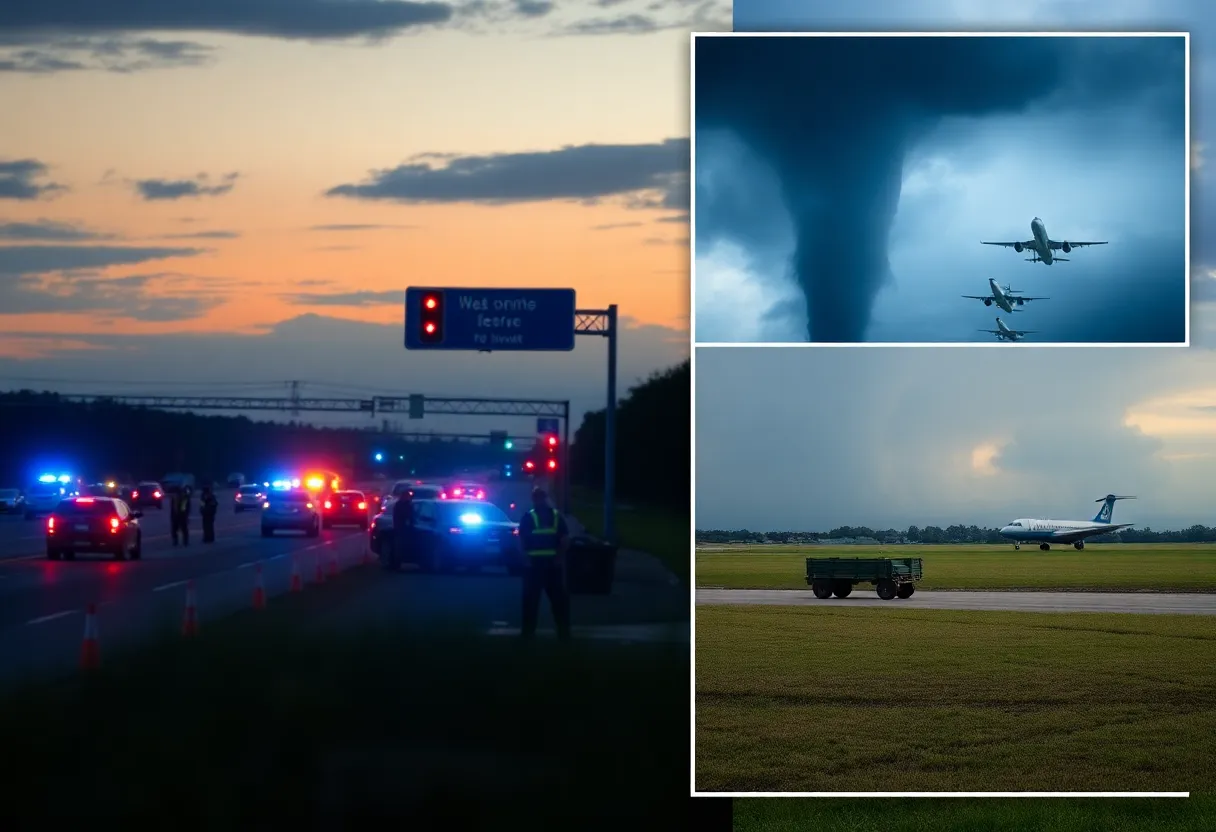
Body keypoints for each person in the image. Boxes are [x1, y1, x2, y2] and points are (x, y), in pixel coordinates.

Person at [516, 487, 571, 639]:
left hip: (534, 566)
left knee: (530, 601)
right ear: (545, 498)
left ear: (534, 499)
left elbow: (521, 541)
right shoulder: (556, 517)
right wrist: (559, 558)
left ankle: (528, 632)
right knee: (558, 601)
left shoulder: (528, 517)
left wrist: (525, 558)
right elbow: (565, 540)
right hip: (552, 566)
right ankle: (563, 632)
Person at [387, 490, 415, 569]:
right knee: (398, 547)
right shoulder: (401, 505)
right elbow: (405, 516)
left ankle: (396, 563)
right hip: (400, 528)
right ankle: (396, 564)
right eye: (407, 496)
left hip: (402, 528)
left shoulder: (405, 505)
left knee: (399, 546)